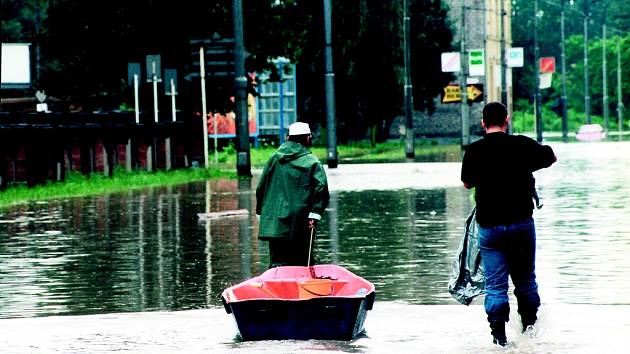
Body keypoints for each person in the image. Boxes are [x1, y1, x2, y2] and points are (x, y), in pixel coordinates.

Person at [460, 102, 557, 346]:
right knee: (525, 280)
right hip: (521, 226)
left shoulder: (474, 151)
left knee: (495, 286)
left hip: (490, 229)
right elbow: (551, 156)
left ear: (483, 123)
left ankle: (499, 337)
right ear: (507, 120)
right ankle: (530, 332)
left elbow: (467, 184)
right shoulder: (522, 145)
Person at [256, 122, 330, 268]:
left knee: (278, 263)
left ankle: (277, 287)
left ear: (288, 137)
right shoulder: (312, 162)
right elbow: (321, 189)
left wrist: (262, 213)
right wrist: (315, 214)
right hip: (301, 221)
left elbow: (261, 188)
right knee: (303, 261)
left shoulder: (274, 159)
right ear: (307, 138)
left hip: (276, 222)